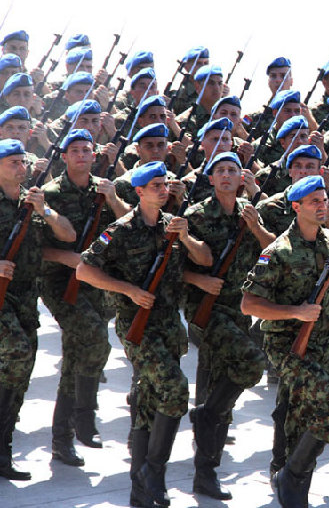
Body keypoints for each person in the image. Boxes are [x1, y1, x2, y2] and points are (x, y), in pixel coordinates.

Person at [76, 161, 212, 507]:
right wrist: (128, 290)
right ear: (138, 192)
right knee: (175, 389)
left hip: (169, 326)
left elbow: (205, 260)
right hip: (138, 326)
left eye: (165, 184)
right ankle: (153, 470)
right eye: (155, 185)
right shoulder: (120, 230)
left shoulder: (173, 226)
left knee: (150, 401)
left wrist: (185, 237)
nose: (163, 189)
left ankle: (142, 488)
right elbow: (83, 270)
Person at [240, 175, 329, 507]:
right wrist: (295, 312)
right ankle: (291, 475)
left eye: (324, 200)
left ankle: (291, 484)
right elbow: (249, 304)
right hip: (287, 345)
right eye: (314, 201)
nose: (322, 205)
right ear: (296, 207)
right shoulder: (278, 251)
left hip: (323, 345)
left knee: (299, 416)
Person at [182, 152, 271, 500]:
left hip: (238, 312)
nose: (226, 176)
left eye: (232, 171)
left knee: (224, 393)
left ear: (241, 178)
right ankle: (205, 413)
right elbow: (174, 266)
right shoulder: (198, 215)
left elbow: (273, 250)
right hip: (207, 312)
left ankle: (206, 472)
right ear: (211, 178)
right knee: (252, 362)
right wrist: (199, 281)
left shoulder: (250, 213)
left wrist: (255, 226)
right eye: (219, 171)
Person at [40, 129, 130, 466]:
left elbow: (131, 225)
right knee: (93, 340)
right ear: (64, 157)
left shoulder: (106, 190)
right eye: (74, 150)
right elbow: (35, 248)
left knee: (77, 352)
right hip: (60, 282)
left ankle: (63, 438)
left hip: (94, 282)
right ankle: (83, 415)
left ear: (95, 155)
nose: (81, 155)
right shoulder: (50, 194)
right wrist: (65, 258)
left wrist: (113, 199)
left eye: (86, 150)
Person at [0, 138, 75, 481]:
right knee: (16, 355)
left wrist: (44, 209)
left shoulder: (33, 200)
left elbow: (68, 235)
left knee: (21, 371)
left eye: (23, 162)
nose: (21, 167)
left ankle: (2, 449)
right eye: (13, 162)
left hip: (25, 295)